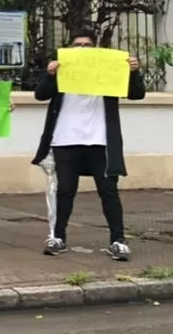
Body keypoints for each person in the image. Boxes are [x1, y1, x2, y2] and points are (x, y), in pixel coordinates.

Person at [33, 29, 145, 261]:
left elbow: (137, 93)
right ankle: (58, 237)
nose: (81, 48)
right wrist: (50, 74)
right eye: (77, 44)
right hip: (65, 141)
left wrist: (134, 72)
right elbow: (40, 95)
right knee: (65, 191)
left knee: (108, 192)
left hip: (100, 143)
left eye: (86, 44)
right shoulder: (62, 73)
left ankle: (118, 240)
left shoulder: (107, 74)